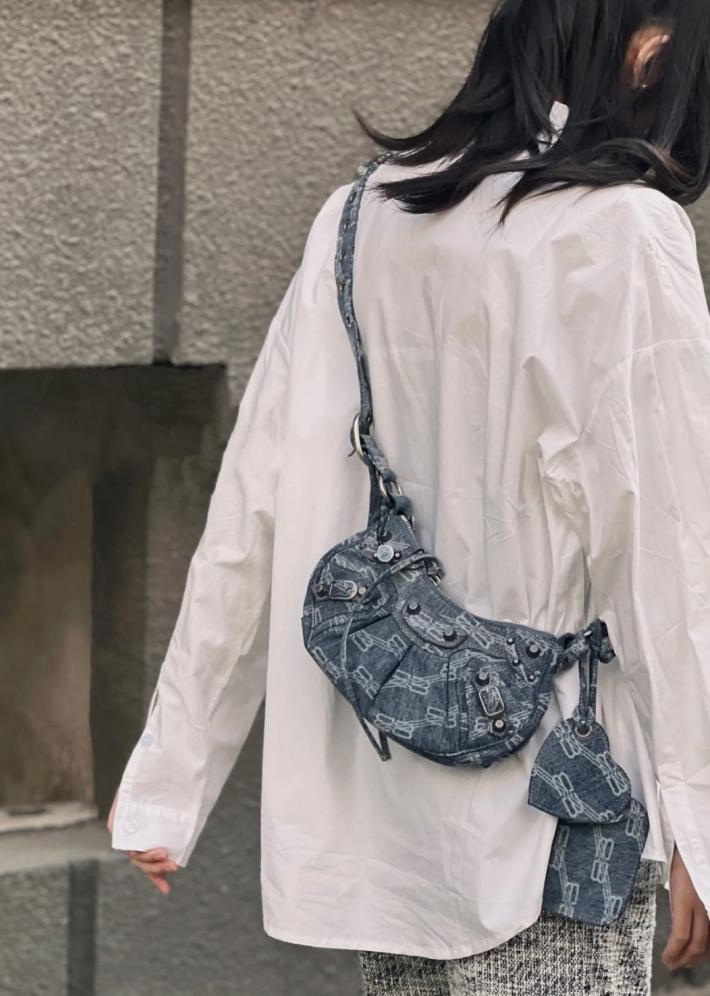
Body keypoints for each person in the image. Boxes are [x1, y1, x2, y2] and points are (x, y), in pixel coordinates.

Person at [109, 0, 710, 991]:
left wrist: (172, 780)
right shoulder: (624, 231)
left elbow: (254, 508)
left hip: (389, 806)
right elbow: (669, 550)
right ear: (649, 53)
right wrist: (699, 820)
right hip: (554, 815)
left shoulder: (362, 217)